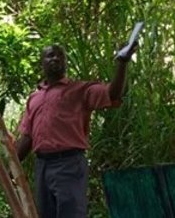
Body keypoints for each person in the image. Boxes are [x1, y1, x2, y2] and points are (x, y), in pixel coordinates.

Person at [16, 43, 137, 218]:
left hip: (69, 163)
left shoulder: (80, 90)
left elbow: (112, 94)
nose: (56, 58)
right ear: (42, 63)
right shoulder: (34, 98)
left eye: (60, 56)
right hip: (42, 165)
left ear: (65, 62)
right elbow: (27, 137)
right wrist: (11, 166)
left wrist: (122, 62)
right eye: (50, 55)